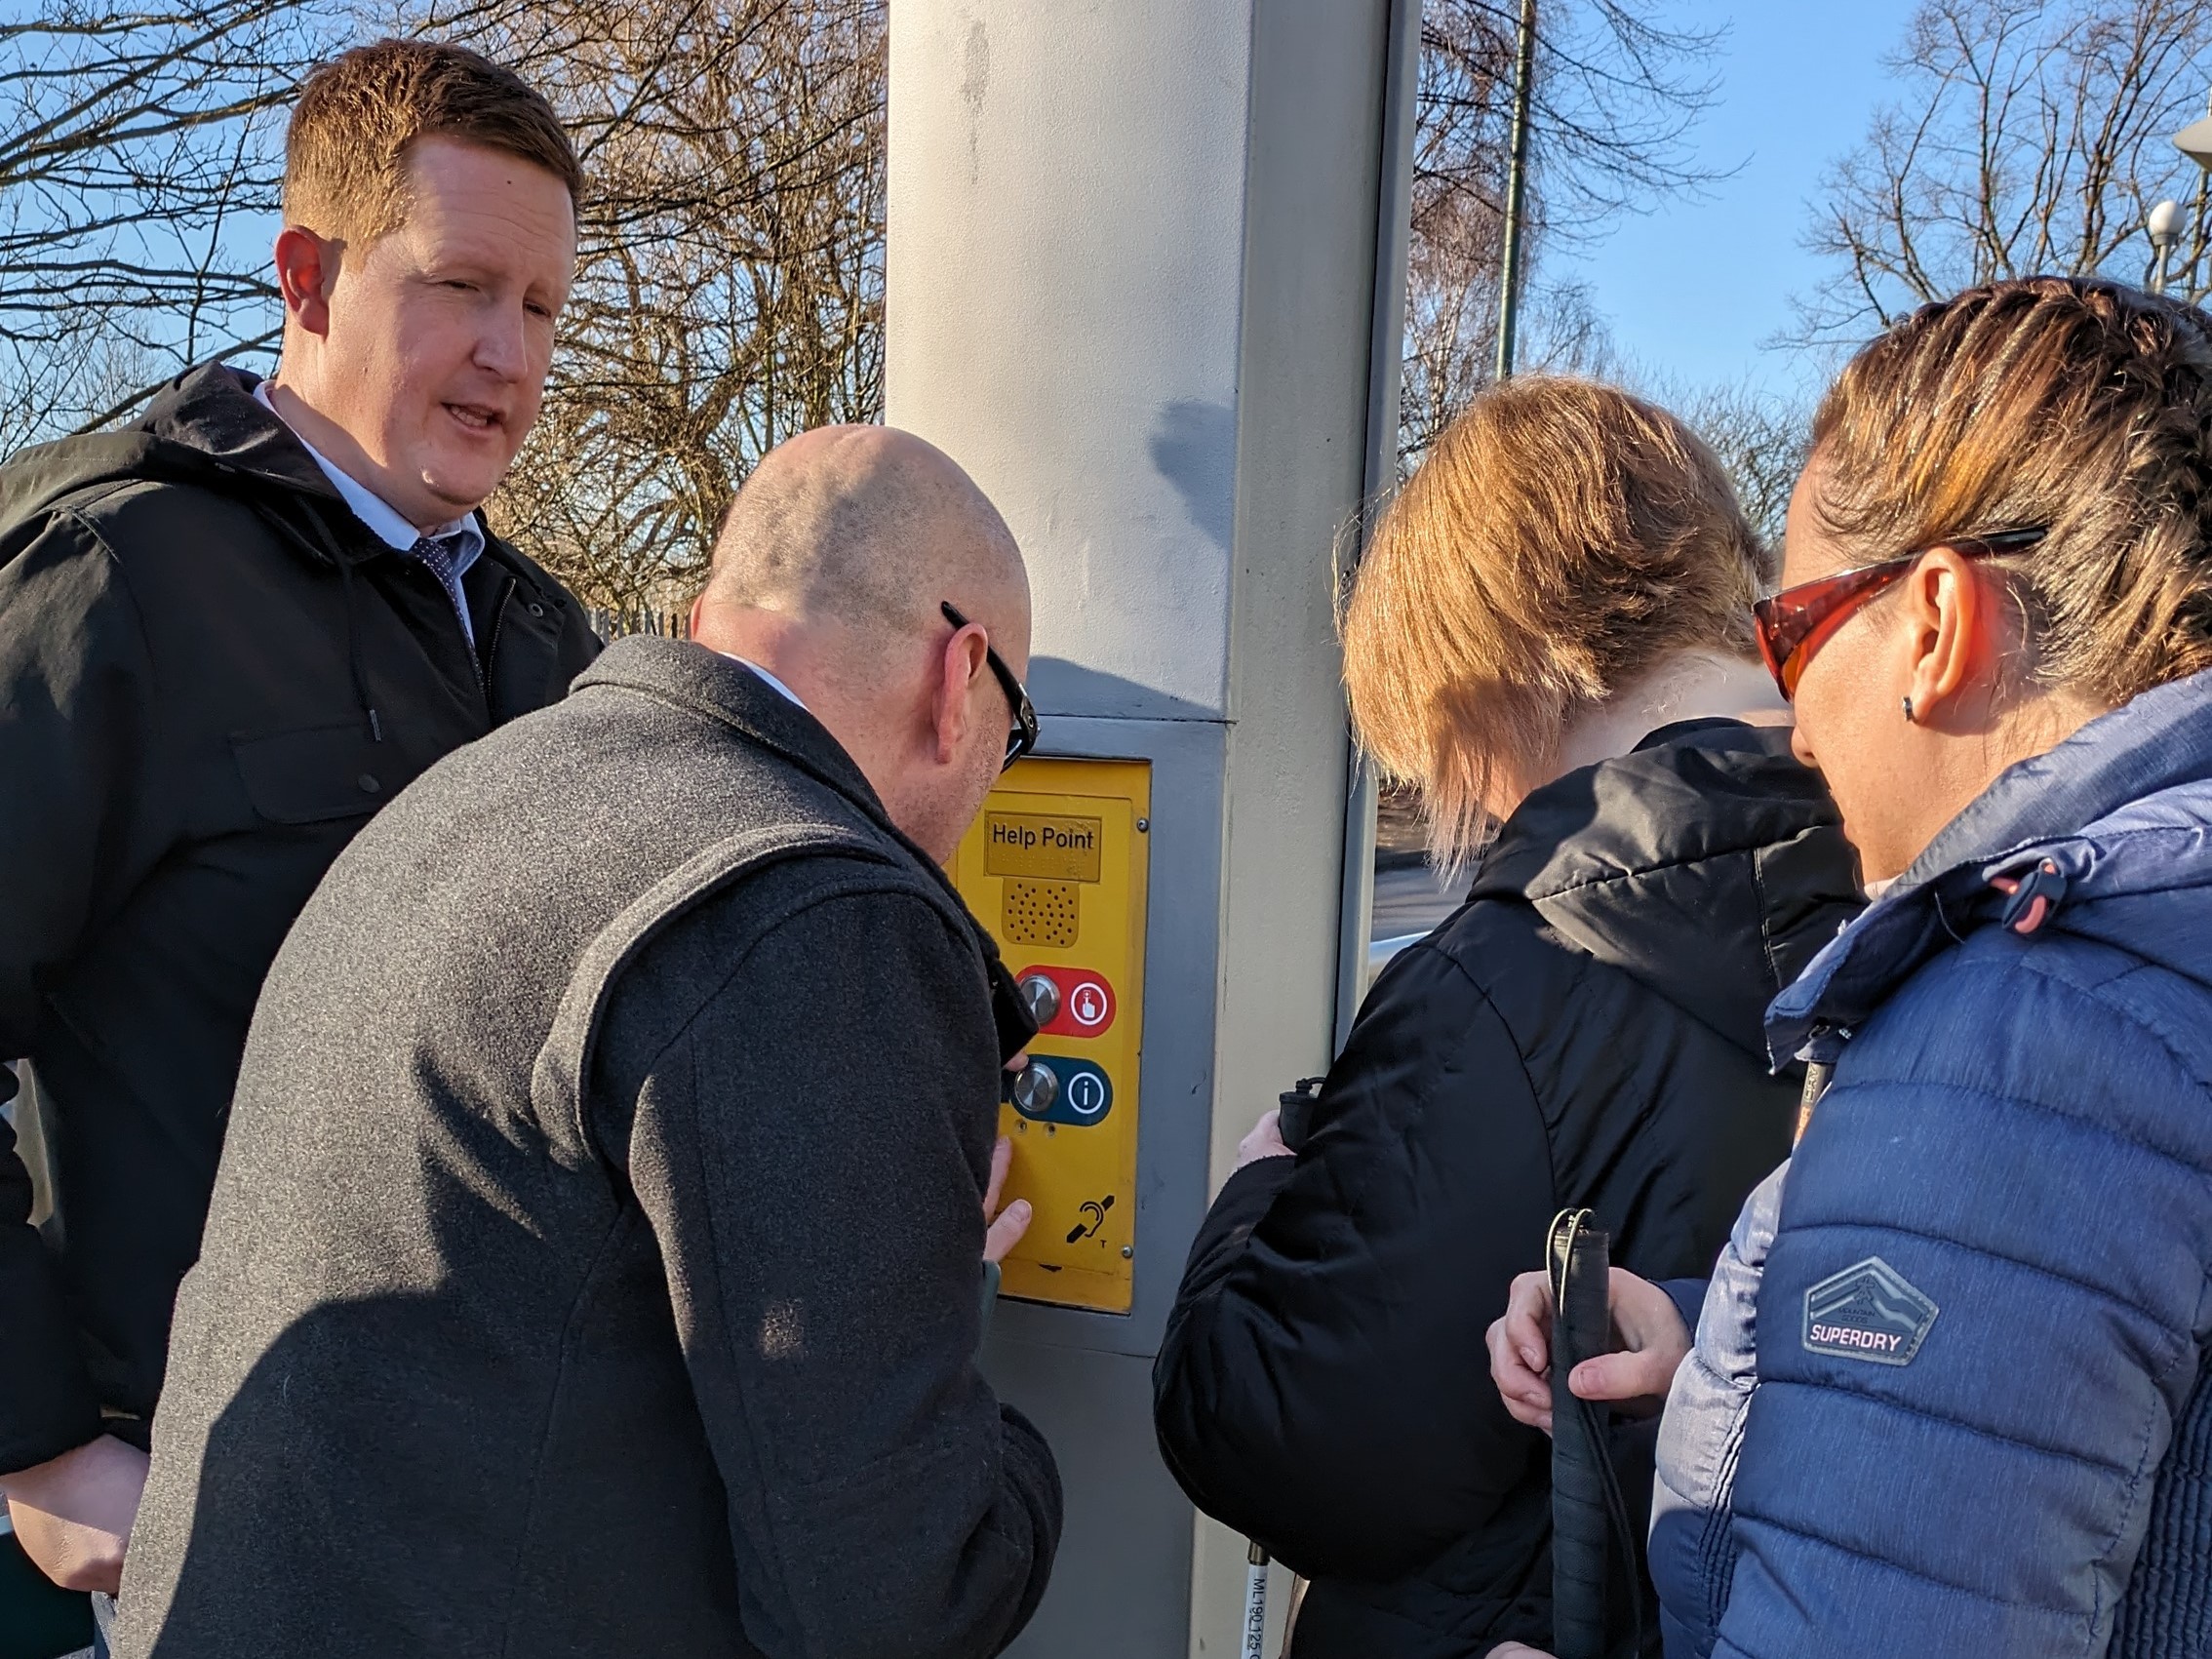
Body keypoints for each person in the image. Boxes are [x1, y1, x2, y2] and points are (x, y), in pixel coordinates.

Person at [110, 424, 1063, 1659]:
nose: (997, 773)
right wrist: (1011, 1441)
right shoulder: (821, 912)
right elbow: (892, 1600)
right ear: (961, 672)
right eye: (1015, 731)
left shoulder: (474, 795)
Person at [1492, 275, 2212, 1659]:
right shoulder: (2157, 955)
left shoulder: (2033, 1030)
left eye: (1790, 632)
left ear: (1937, 623)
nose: (1795, 729)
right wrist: (1727, 1337)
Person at [0, 36, 597, 1619]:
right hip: (181, 1508)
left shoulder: (549, 649)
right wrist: (40, 1448)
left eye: (539, 307)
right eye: (461, 286)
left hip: (482, 1499)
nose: (509, 354)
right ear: (308, 276)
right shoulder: (116, 588)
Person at [1151, 376, 1863, 1658]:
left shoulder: (1505, 976)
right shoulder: (1903, 889)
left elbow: (1287, 1443)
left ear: (1501, 663)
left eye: (1436, 732)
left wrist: (1252, 1203)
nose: (1452, 793)